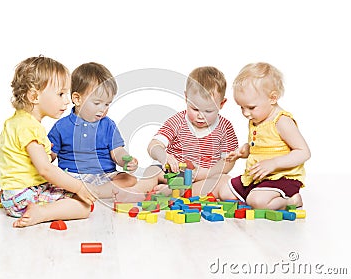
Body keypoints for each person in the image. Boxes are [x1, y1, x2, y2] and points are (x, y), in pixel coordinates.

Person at [0, 56, 95, 228]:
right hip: (24, 195)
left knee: (67, 187)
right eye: (61, 94)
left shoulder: (15, 122)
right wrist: (79, 187)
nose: (67, 100)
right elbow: (45, 169)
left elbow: (16, 162)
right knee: (83, 206)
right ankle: (40, 213)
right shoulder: (30, 127)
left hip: (14, 193)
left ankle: (10, 197)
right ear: (34, 96)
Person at [115, 66, 238, 201]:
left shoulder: (225, 128)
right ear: (186, 98)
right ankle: (137, 191)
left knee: (224, 180)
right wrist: (163, 157)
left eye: (208, 111)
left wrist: (204, 173)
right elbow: (153, 145)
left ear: (222, 103)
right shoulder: (177, 122)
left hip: (201, 180)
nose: (201, 116)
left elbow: (228, 162)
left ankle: (170, 193)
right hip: (171, 174)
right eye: (195, 109)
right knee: (152, 170)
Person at [214, 62, 311, 210]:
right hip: (257, 176)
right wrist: (243, 151)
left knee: (257, 202)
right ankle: (257, 194)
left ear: (272, 98)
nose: (246, 113)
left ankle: (291, 201)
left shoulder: (282, 121)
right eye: (242, 107)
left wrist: (274, 163)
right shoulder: (256, 119)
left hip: (281, 177)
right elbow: (259, 146)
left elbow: (303, 152)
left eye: (251, 107)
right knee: (224, 192)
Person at [48, 62, 138, 199]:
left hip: (105, 176)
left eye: (107, 104)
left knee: (129, 179)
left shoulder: (108, 125)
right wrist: (43, 156)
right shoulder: (61, 126)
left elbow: (117, 151)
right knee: (53, 180)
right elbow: (50, 155)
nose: (103, 108)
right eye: (97, 103)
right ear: (77, 99)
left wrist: (126, 161)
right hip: (72, 177)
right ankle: (82, 191)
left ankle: (96, 192)